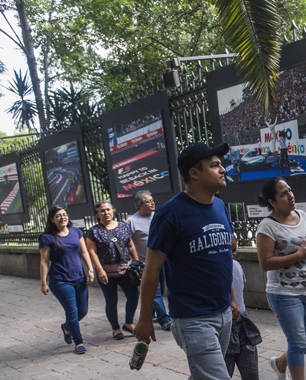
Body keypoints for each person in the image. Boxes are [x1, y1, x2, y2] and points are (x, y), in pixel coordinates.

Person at [135, 142, 237, 380]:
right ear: (194, 172)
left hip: (223, 314)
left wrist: (231, 299)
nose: (223, 169)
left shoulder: (220, 206)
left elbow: (223, 257)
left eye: (221, 164)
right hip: (193, 319)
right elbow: (151, 270)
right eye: (214, 165)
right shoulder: (170, 214)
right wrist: (144, 319)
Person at [256, 177, 306, 380]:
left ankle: (280, 363)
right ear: (271, 201)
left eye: (289, 190)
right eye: (283, 193)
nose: (290, 195)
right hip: (283, 293)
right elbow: (265, 262)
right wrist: (297, 256)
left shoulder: (302, 216)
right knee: (298, 343)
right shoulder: (267, 226)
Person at [39, 206, 95, 354]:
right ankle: (78, 342)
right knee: (72, 311)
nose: (62, 218)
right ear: (52, 219)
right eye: (58, 216)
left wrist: (90, 269)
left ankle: (67, 327)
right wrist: (43, 282)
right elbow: (44, 261)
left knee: (82, 311)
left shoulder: (76, 232)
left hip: (79, 277)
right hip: (60, 280)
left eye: (64, 215)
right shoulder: (47, 237)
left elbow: (84, 252)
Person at [87, 200, 140, 340]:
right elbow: (92, 252)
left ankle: (129, 323)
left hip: (126, 270)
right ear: (98, 214)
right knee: (111, 301)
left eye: (108, 209)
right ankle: (116, 328)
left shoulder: (123, 226)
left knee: (134, 296)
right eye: (102, 211)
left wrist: (136, 263)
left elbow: (130, 246)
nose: (106, 213)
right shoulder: (94, 231)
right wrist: (99, 270)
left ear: (113, 210)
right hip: (107, 272)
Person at [126, 190, 172, 331]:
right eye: (148, 201)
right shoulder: (131, 221)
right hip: (145, 263)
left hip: (163, 260)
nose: (152, 203)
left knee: (162, 288)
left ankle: (152, 313)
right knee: (156, 291)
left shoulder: (157, 216)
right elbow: (127, 243)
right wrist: (133, 261)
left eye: (152, 200)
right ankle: (164, 319)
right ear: (140, 205)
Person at [224, 238, 262, 379]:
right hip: (225, 327)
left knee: (251, 371)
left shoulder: (237, 266)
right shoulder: (212, 271)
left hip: (243, 324)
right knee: (224, 371)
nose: (232, 254)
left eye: (234, 250)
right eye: (229, 250)